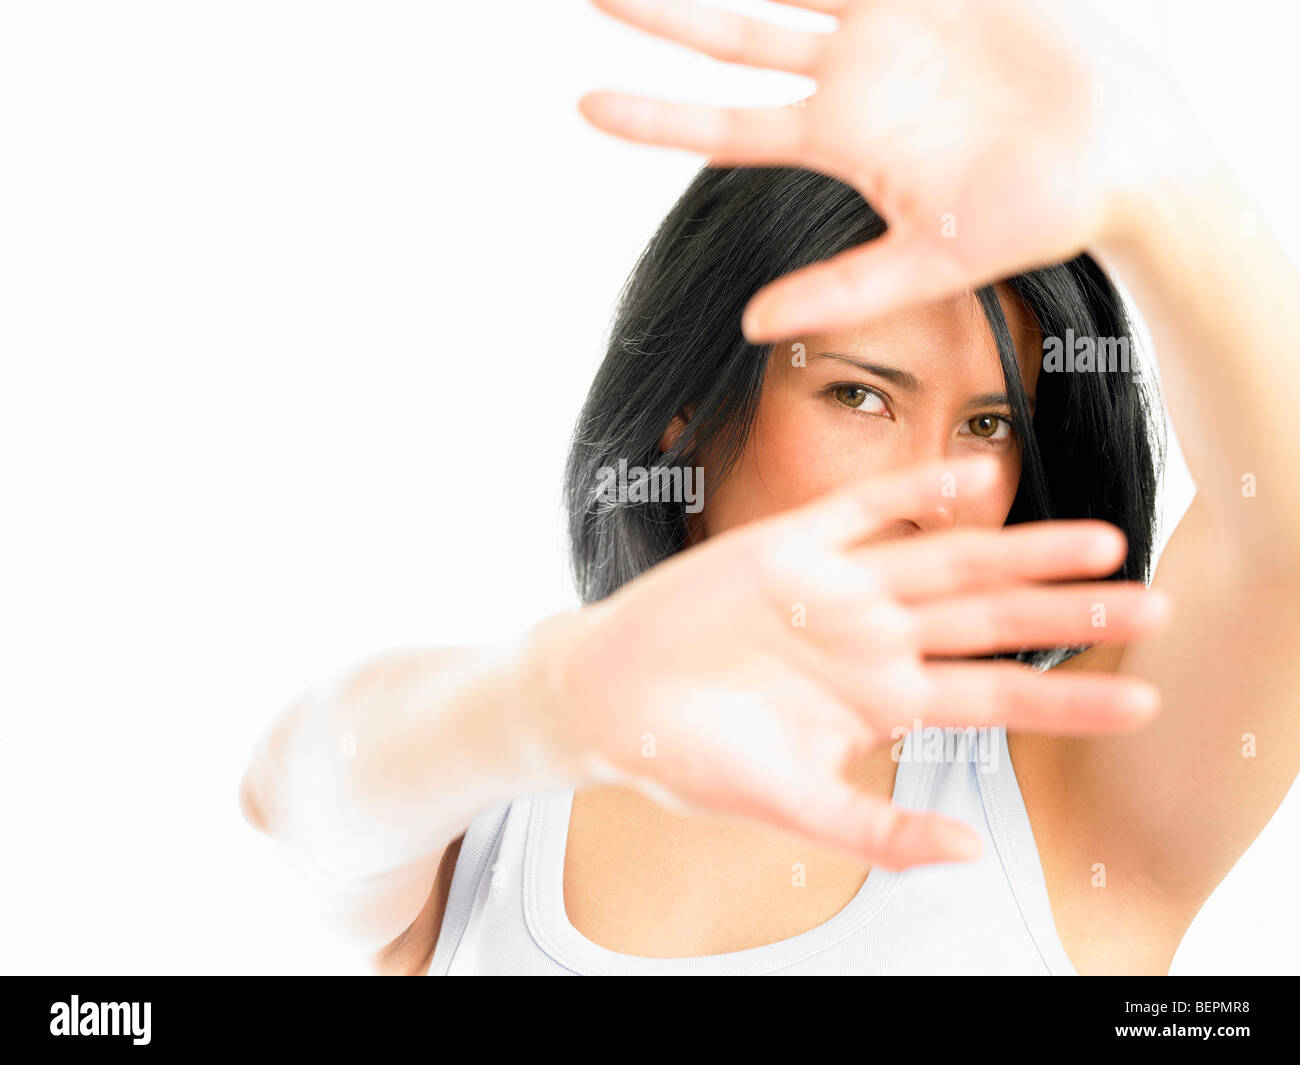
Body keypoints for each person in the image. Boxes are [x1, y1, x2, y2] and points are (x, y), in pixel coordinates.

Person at [239, 0, 1300, 975]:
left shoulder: (1073, 802)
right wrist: (551, 695)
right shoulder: (495, 822)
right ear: (690, 421)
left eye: (987, 426)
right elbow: (297, 792)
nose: (940, 492)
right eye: (860, 397)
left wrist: (1162, 177)